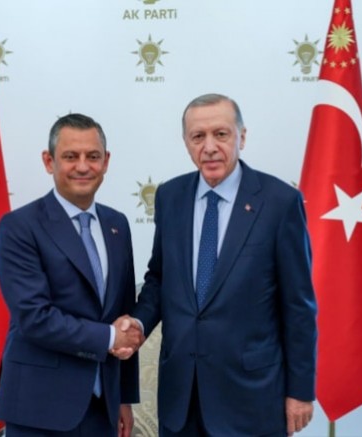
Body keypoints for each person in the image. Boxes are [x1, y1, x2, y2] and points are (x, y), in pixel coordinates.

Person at [119, 93, 317, 436]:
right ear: (186, 143)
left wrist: (300, 391)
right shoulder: (170, 197)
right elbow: (160, 278)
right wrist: (137, 322)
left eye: (221, 134)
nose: (209, 147)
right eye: (198, 136)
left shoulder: (280, 202)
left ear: (242, 136)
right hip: (181, 398)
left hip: (252, 399)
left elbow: (298, 305)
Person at [0, 113, 142, 436]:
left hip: (103, 408)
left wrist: (124, 397)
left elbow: (123, 313)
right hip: (39, 409)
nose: (83, 166)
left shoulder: (117, 225)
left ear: (106, 161)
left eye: (93, 156)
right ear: (49, 162)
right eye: (71, 156)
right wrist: (109, 338)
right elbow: (34, 317)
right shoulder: (19, 227)